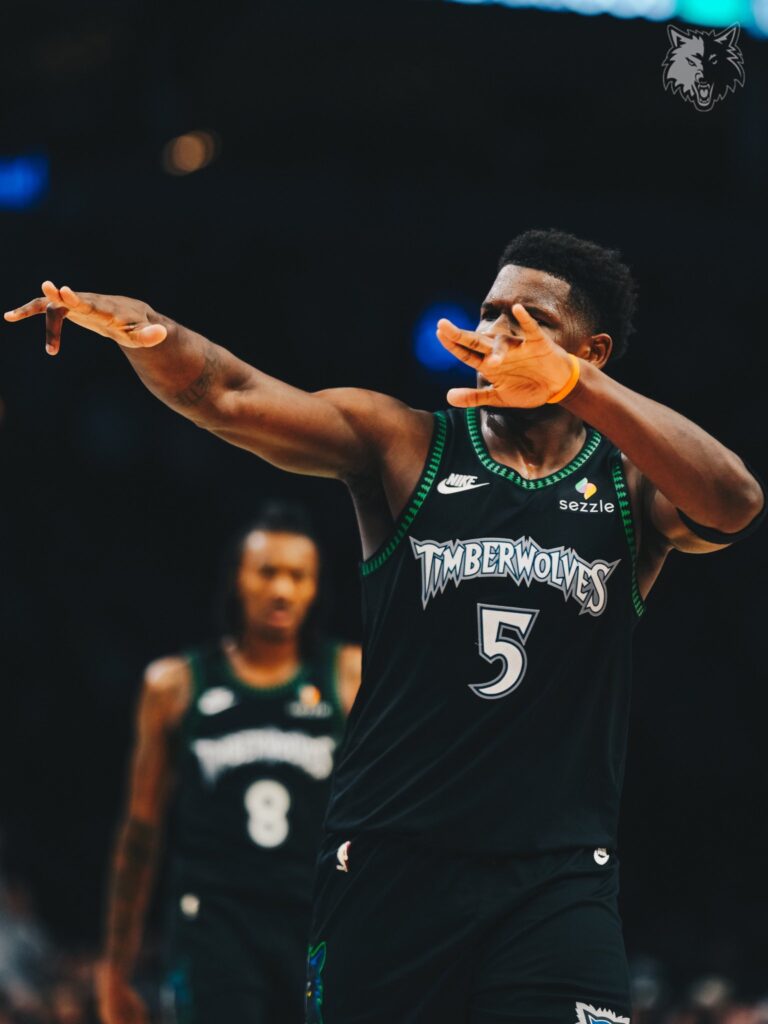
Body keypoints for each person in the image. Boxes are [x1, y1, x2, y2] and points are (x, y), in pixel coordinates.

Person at [6, 229, 764, 1024]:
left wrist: (579, 389)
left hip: (556, 883)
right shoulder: (406, 443)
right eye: (489, 312)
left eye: (527, 321)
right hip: (390, 867)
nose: (496, 333)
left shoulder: (629, 483)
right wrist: (149, 329)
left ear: (591, 349)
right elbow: (227, 394)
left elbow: (735, 503)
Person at [95, 503, 360, 1024]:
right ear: (238, 578)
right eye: (268, 572)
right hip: (214, 920)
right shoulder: (175, 685)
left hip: (314, 917)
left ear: (314, 587)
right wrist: (115, 966)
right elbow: (140, 831)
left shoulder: (348, 675)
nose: (282, 589)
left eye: (298, 576)